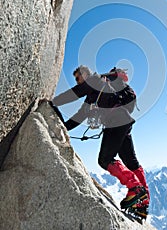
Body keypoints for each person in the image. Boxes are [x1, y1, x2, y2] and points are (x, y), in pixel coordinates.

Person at [52, 65, 150, 213]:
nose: (77, 81)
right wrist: (63, 127)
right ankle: (143, 203)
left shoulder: (94, 81)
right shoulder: (92, 96)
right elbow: (78, 117)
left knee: (105, 159)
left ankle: (135, 189)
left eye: (78, 78)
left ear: (85, 74)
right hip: (124, 122)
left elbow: (74, 93)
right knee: (131, 161)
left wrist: (54, 101)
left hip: (116, 122)